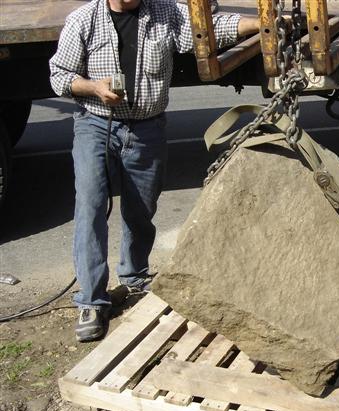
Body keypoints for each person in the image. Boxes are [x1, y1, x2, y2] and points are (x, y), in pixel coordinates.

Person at [49, 0, 259, 342]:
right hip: (96, 125)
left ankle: (134, 277)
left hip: (147, 128)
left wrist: (263, 24)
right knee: (90, 208)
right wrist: (94, 88)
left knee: (141, 209)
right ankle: (91, 300)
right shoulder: (83, 20)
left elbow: (212, 28)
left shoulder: (166, 12)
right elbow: (59, 76)